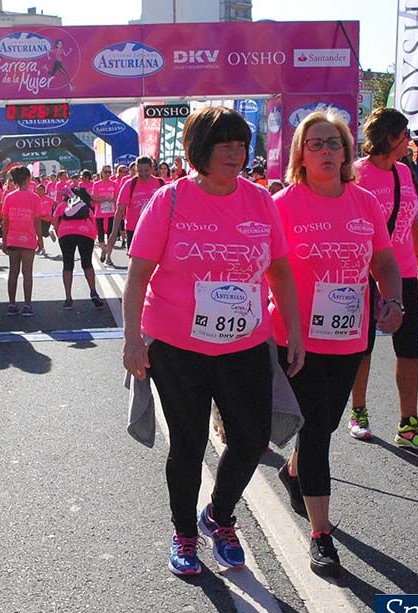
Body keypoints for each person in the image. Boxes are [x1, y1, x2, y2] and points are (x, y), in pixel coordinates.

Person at [122, 106, 305, 576]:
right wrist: (132, 342)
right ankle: (184, 532)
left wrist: (295, 329)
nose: (235, 153)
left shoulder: (261, 201)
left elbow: (280, 269)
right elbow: (139, 273)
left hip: (244, 343)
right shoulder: (170, 200)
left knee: (251, 437)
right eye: (223, 145)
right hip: (177, 345)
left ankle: (219, 516)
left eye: (241, 145)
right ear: (198, 150)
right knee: (188, 442)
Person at [271, 110, 403, 578]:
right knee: (316, 433)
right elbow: (264, 268)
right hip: (298, 339)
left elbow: (385, 264)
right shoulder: (284, 205)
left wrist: (393, 301)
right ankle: (322, 535)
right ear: (300, 156)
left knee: (323, 425)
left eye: (334, 143)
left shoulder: (365, 203)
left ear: (347, 152)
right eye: (316, 144)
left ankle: (292, 472)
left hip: (350, 337)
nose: (327, 152)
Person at [350, 108, 418, 450]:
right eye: (405, 135)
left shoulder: (403, 172)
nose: (410, 141)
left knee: (408, 347)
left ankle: (409, 423)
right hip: (365, 273)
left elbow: (411, 219)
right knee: (364, 345)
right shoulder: (358, 173)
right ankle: (358, 412)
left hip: (402, 273)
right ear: (389, 138)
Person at [1, 166, 43, 316]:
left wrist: (4, 240)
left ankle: (12, 304)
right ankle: (27, 304)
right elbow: (37, 221)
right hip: (29, 239)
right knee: (27, 273)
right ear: (28, 179)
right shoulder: (34, 198)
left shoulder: (9, 197)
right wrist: (40, 240)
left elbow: (5, 221)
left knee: (13, 272)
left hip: (13, 238)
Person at [54, 187, 105, 310]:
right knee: (87, 263)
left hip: (66, 233)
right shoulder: (85, 207)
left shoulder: (62, 206)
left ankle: (68, 298)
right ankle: (93, 292)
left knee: (68, 264)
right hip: (85, 233)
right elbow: (93, 223)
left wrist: (59, 234)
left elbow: (55, 221)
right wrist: (93, 237)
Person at [105, 156, 163, 262]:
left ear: (152, 169)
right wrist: (114, 232)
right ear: (136, 169)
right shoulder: (130, 185)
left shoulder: (160, 184)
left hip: (154, 229)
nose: (143, 174)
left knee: (154, 262)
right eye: (140, 171)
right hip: (134, 229)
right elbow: (120, 211)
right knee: (135, 264)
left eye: (146, 170)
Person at [90, 165, 118, 261]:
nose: (108, 174)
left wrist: (112, 199)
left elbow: (117, 198)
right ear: (101, 173)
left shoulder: (114, 184)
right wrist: (105, 199)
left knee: (111, 234)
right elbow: (94, 198)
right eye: (106, 172)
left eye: (109, 172)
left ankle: (109, 255)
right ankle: (103, 250)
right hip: (99, 213)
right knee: (100, 233)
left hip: (111, 213)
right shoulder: (96, 184)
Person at [36, 182, 56, 255]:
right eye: (38, 190)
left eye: (41, 189)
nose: (40, 191)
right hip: (38, 218)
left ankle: (49, 233)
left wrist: (54, 215)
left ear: (44, 190)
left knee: (44, 234)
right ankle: (42, 248)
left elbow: (55, 205)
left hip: (47, 219)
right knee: (39, 234)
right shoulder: (35, 199)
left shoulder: (49, 199)